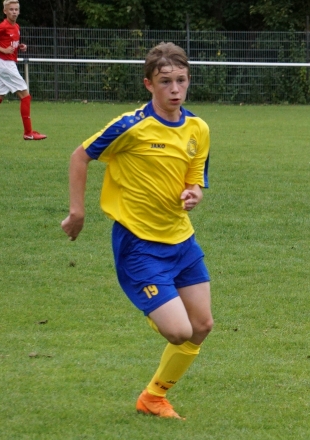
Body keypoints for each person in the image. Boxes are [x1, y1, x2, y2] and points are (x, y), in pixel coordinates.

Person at [61, 42, 212, 420]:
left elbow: (195, 179)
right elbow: (80, 156)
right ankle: (158, 310)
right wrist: (77, 212)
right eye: (165, 82)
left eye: (181, 80)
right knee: (179, 331)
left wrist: (194, 193)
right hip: (139, 244)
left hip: (182, 240)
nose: (175, 89)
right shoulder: (131, 126)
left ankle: (153, 397)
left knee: (202, 325)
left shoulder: (198, 128)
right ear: (149, 84)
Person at [0, 0, 46, 141]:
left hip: (7, 64)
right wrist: (2, 50)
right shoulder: (2, 26)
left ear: (19, 11)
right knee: (25, 96)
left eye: (16, 9)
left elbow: (10, 43)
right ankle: (28, 133)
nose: (14, 12)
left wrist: (19, 46)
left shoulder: (16, 26)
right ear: (5, 11)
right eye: (11, 9)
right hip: (6, 65)